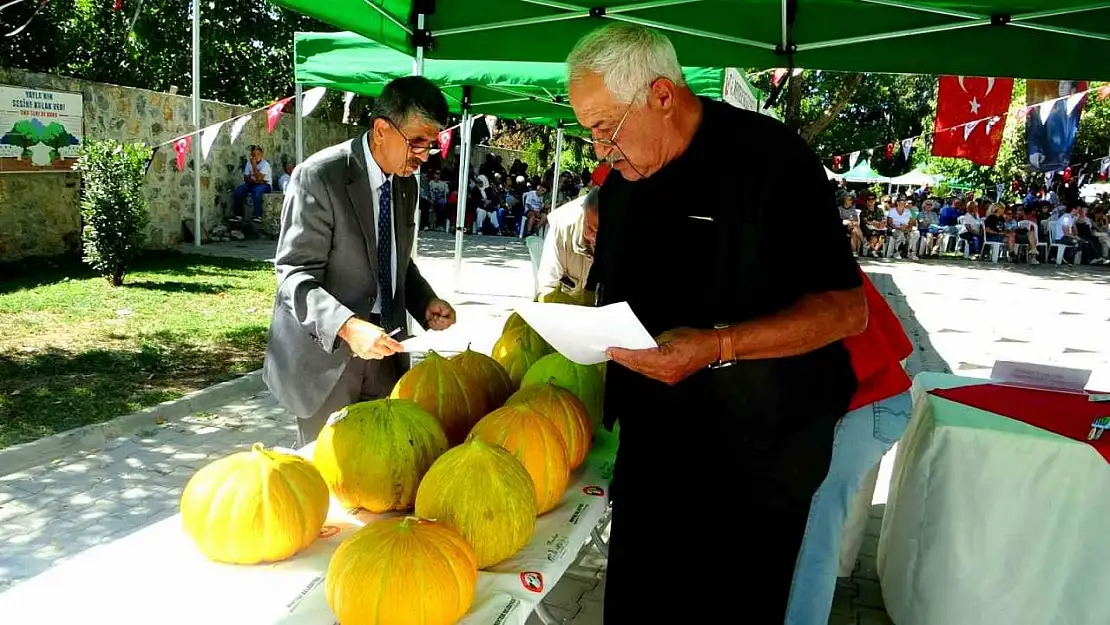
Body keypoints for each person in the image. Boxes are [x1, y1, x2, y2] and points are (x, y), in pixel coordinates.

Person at [568, 23, 866, 621]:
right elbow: (612, 294)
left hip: (758, 460)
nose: (600, 149)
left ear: (661, 95)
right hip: (655, 453)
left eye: (605, 128)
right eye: (589, 133)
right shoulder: (623, 184)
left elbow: (845, 311)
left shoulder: (771, 161)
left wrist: (716, 346)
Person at [263, 76, 457, 447]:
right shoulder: (320, 176)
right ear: (382, 129)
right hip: (326, 362)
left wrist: (425, 301)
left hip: (387, 352)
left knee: (378, 472)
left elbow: (396, 259)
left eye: (430, 145)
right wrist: (348, 327)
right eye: (417, 142)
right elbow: (293, 274)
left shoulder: (406, 183)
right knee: (326, 479)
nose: (423, 156)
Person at [536, 185, 600, 301]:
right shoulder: (562, 229)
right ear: (583, 215)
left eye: (601, 233)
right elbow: (547, 286)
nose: (595, 238)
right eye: (590, 229)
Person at [234, 145, 273, 222]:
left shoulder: (265, 165)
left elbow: (259, 178)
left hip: (266, 185)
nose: (256, 156)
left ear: (261, 154)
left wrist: (254, 166)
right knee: (239, 190)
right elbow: (246, 178)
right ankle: (238, 215)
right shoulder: (248, 163)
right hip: (253, 184)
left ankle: (258, 215)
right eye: (254, 154)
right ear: (251, 155)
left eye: (258, 154)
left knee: (257, 191)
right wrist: (257, 181)